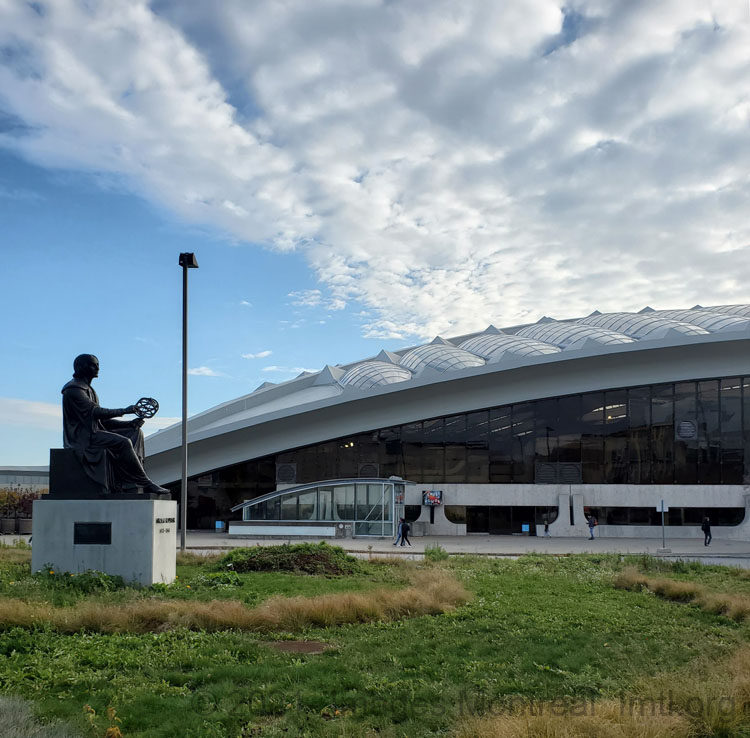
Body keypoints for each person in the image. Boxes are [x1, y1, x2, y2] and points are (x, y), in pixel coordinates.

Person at [62, 354, 169, 495]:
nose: (97, 368)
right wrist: (125, 411)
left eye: (97, 364)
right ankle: (145, 482)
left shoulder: (89, 390)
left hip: (94, 433)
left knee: (135, 432)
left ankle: (130, 481)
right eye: (92, 365)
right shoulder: (74, 389)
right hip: (83, 438)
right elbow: (95, 412)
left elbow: (102, 422)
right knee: (124, 442)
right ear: (80, 367)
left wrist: (129, 424)